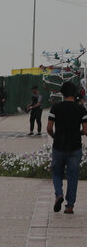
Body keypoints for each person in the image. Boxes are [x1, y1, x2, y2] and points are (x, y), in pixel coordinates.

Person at [47, 81, 87, 215]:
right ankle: (70, 206)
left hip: (59, 146)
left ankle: (58, 194)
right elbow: (86, 130)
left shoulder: (55, 108)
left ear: (62, 93)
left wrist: (55, 136)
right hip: (75, 147)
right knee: (73, 177)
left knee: (57, 173)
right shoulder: (81, 109)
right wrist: (78, 132)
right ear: (74, 93)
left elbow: (49, 128)